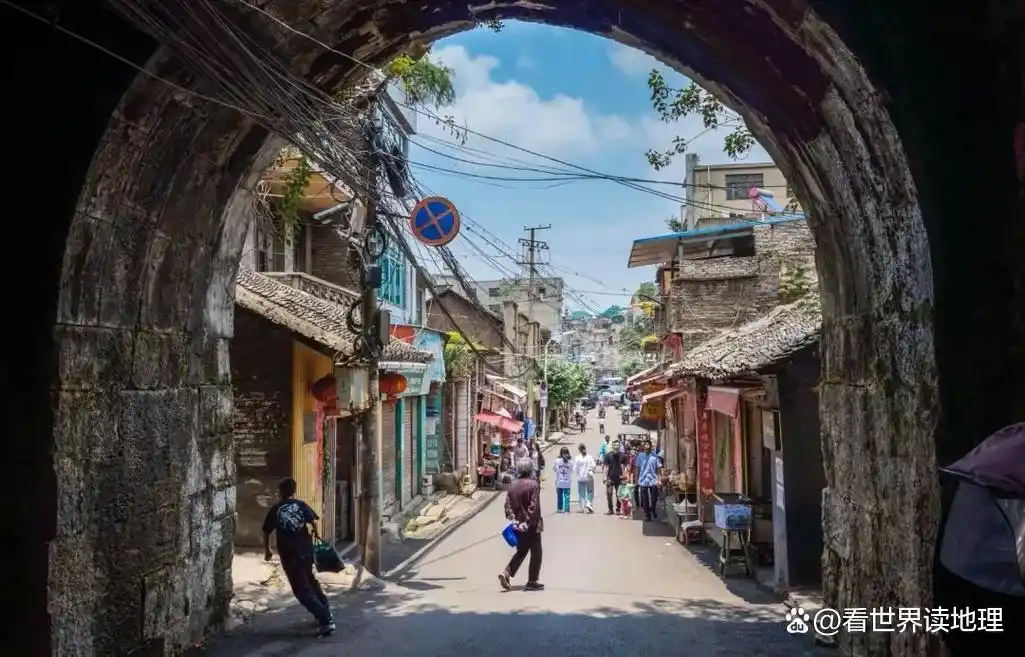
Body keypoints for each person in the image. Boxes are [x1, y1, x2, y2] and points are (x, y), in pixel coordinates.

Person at [262, 478, 335, 637]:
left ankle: (325, 619)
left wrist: (267, 549)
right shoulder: (300, 505)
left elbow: (266, 530)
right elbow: (313, 521)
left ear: (280, 492)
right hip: (306, 551)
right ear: (294, 491)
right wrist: (316, 532)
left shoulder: (276, 509)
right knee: (310, 580)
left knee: (301, 589)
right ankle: (324, 609)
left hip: (290, 554)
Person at [499, 458, 545, 592]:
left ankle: (506, 573)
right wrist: (528, 522)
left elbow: (507, 505)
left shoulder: (513, 485)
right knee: (537, 553)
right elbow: (534, 506)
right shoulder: (534, 484)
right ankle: (532, 581)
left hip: (517, 524)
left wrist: (513, 519)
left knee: (522, 551)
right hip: (532, 526)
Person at [634, 439, 663, 521]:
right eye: (645, 445)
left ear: (650, 446)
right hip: (643, 480)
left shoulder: (655, 456)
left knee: (654, 498)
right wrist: (636, 480)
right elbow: (637, 468)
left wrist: (659, 480)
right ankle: (647, 515)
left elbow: (658, 469)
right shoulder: (640, 456)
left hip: (653, 480)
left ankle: (653, 509)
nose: (646, 446)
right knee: (645, 499)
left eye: (648, 444)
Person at [603, 438, 627, 515]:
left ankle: (618, 509)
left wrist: (625, 476)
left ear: (619, 446)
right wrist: (604, 477)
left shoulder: (623, 456)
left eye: (617, 445)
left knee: (618, 494)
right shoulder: (608, 455)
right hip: (610, 477)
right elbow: (606, 467)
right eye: (615, 445)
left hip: (619, 477)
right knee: (609, 493)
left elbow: (625, 467)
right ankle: (610, 509)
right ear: (612, 446)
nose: (616, 446)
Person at [573, 443, 596, 513]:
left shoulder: (577, 458)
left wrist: (578, 473)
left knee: (581, 493)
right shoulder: (590, 457)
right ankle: (589, 504)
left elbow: (574, 469)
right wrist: (590, 470)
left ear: (579, 450)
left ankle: (582, 508)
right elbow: (594, 466)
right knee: (590, 492)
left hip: (581, 478)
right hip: (589, 477)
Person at [552, 447, 573, 513]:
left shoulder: (557, 461)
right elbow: (572, 471)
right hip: (567, 482)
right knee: (567, 496)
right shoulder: (571, 462)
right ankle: (566, 509)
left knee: (559, 496)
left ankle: (560, 508)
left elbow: (554, 469)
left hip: (559, 482)